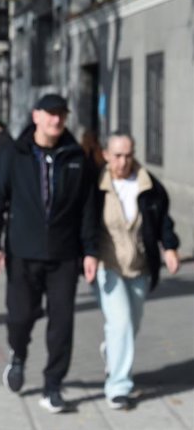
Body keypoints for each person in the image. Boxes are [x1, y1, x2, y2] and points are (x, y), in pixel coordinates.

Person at [0, 93, 98, 413]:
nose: (56, 120)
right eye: (50, 114)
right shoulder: (14, 154)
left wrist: (90, 251)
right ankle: (18, 355)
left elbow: (88, 208)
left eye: (61, 114)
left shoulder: (76, 157)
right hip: (22, 253)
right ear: (36, 116)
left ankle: (53, 385)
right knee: (20, 317)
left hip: (64, 256)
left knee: (62, 324)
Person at [90, 132, 180, 410]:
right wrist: (85, 254)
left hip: (140, 265)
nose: (123, 161)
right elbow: (83, 221)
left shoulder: (149, 184)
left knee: (132, 324)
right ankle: (119, 387)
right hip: (108, 265)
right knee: (121, 323)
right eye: (117, 155)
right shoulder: (95, 185)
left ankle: (111, 350)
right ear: (106, 155)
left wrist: (170, 247)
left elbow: (163, 219)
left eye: (128, 154)